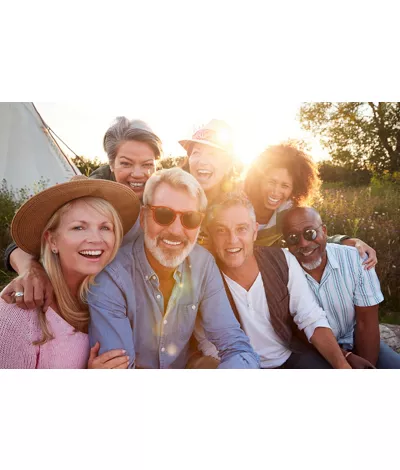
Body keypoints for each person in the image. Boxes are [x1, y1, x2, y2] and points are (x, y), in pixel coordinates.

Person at [87, 167, 260, 369]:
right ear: (143, 217)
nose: (176, 231)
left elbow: (233, 343)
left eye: (190, 218)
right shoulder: (112, 278)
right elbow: (119, 369)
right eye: (163, 214)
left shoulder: (203, 264)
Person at [2, 116, 162, 308]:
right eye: (126, 164)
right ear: (111, 164)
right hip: (87, 299)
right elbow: (23, 242)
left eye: (147, 164)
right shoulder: (92, 194)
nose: (137, 173)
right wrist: (30, 269)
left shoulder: (163, 193)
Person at [193, 192, 353, 369]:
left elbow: (310, 317)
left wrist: (342, 365)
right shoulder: (203, 277)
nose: (232, 240)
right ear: (211, 234)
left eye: (241, 229)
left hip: (290, 355)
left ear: (254, 231)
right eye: (221, 230)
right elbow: (208, 343)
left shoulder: (283, 261)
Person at [0, 176, 140, 368]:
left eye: (105, 227)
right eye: (79, 227)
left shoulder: (111, 302)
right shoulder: (16, 313)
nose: (95, 238)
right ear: (52, 241)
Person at [282, 206, 400, 369]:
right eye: (293, 237)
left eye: (310, 233)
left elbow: (366, 322)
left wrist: (366, 368)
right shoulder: (282, 270)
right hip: (311, 348)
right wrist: (344, 358)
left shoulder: (355, 259)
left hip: (354, 338)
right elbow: (293, 328)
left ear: (324, 231)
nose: (303, 243)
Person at [244, 143, 378, 269]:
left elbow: (311, 236)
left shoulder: (288, 210)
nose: (275, 191)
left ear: (294, 189)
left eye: (285, 186)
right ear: (259, 180)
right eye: (271, 182)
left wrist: (349, 241)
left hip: (258, 263)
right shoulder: (240, 203)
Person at [179, 119, 242, 247]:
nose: (202, 161)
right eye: (196, 152)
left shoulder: (238, 208)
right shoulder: (174, 197)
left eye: (213, 154)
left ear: (228, 164)